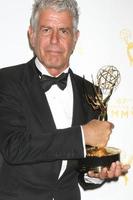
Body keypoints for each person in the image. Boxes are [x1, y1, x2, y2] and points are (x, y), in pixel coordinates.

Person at [0, 0, 130, 200]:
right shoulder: (6, 81)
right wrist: (82, 135)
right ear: (32, 35)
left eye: (63, 31)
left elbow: (81, 169)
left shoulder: (91, 92)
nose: (54, 40)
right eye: (46, 30)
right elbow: (14, 147)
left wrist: (95, 174)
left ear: (75, 38)